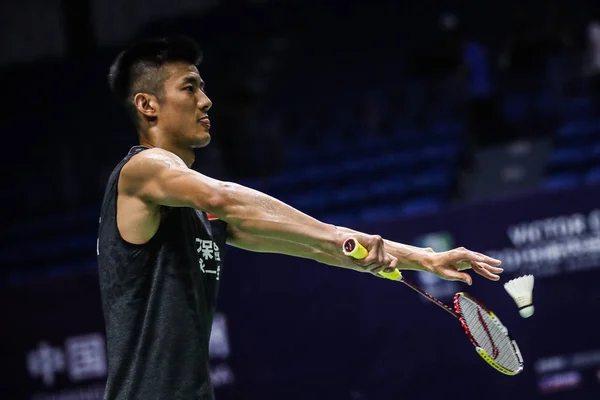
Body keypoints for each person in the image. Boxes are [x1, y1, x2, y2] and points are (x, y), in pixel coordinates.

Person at [97, 35, 504, 400]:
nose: (206, 100)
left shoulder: (202, 216)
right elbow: (223, 196)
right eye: (189, 88)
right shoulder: (142, 170)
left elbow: (310, 243)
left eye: (203, 86)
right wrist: (333, 240)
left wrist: (425, 257)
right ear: (148, 105)